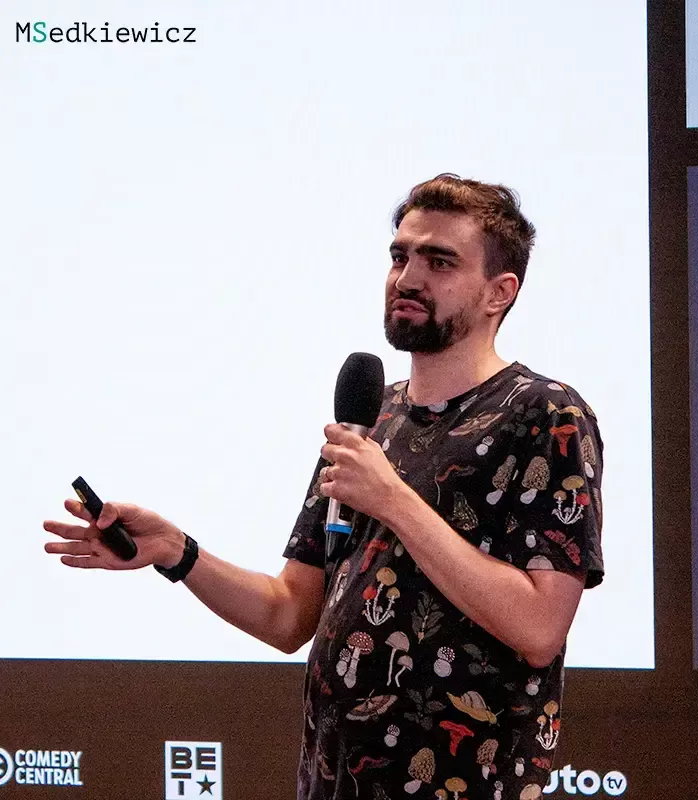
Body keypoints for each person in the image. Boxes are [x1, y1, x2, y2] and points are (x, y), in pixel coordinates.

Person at [44, 174, 603, 800]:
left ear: (500, 292)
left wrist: (394, 501)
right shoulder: (372, 418)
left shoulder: (544, 414)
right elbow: (288, 614)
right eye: (400, 256)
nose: (408, 278)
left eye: (439, 262)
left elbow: (539, 629)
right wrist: (177, 551)